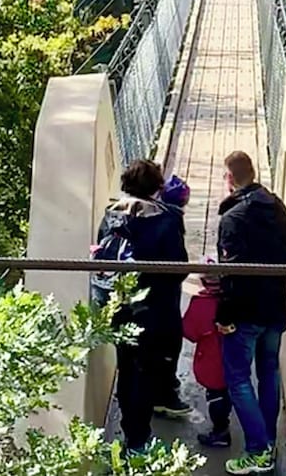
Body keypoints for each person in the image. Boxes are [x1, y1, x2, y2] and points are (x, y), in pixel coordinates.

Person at [91, 159, 191, 454]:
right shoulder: (167, 218)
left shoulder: (110, 216)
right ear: (157, 187)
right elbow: (179, 268)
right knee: (146, 372)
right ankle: (138, 439)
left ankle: (128, 432)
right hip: (153, 308)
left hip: (116, 304)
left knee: (126, 368)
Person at [215, 151, 286, 475]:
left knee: (238, 378)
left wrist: (223, 316)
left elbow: (231, 273)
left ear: (230, 179)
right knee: (269, 374)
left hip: (246, 313)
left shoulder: (233, 218)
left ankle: (258, 450)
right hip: (276, 308)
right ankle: (268, 442)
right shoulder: (279, 209)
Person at [182, 259, 233, 448]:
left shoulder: (201, 304)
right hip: (234, 357)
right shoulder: (235, 300)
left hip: (211, 362)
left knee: (216, 397)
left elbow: (189, 332)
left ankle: (220, 432)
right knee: (231, 392)